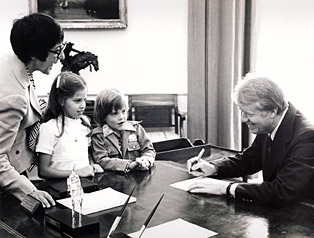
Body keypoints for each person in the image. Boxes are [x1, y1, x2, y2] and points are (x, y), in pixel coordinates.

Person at [187, 74, 314, 207]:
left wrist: (226, 188)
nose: (243, 119)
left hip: (303, 215)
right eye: (242, 112)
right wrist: (214, 167)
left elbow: (281, 191)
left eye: (250, 114)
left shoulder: (307, 138)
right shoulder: (270, 124)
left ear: (272, 111)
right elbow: (250, 159)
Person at [0, 13, 65, 208]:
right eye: (57, 50)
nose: (60, 57)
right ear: (36, 54)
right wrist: (30, 192)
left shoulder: (13, 61)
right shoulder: (14, 98)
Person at [36, 72, 103, 179]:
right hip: (60, 189)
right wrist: (76, 173)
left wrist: (92, 167)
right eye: (77, 100)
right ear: (61, 100)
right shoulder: (49, 128)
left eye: (85, 100)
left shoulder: (84, 124)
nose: (83, 106)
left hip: (86, 186)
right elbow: (43, 171)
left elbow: (87, 157)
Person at [91, 89, 156, 172]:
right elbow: (101, 160)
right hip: (113, 180)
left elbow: (149, 150)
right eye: (115, 113)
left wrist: (146, 160)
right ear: (103, 116)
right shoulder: (99, 135)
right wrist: (129, 165)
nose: (121, 117)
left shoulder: (136, 129)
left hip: (139, 177)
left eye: (123, 111)